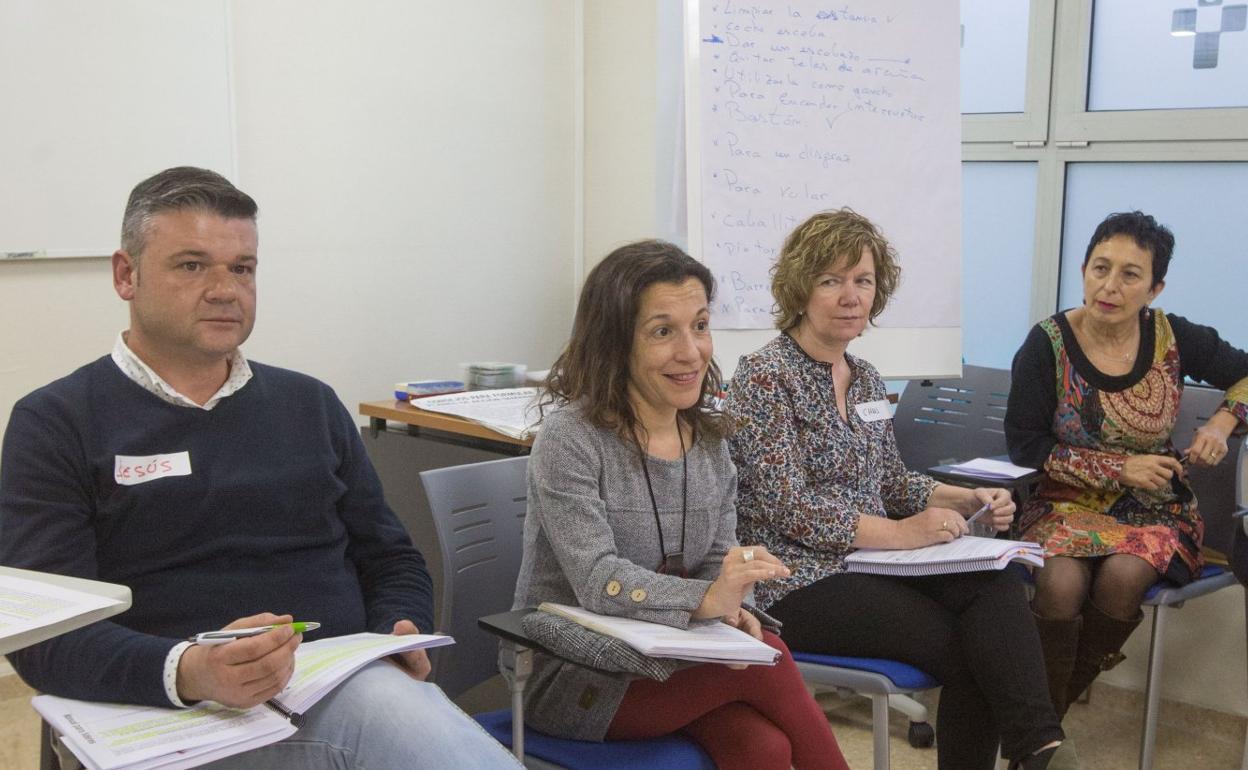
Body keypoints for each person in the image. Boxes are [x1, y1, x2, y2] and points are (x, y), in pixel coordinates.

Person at [0, 167, 518, 769]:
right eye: (192, 265)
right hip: (167, 716)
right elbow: (45, 636)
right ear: (126, 274)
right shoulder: (56, 421)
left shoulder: (311, 404)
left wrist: (396, 628)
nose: (225, 289)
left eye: (241, 268)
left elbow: (391, 557)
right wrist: (190, 671)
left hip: (336, 686)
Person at [725, 208, 1063, 770]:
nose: (850, 295)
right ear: (799, 287)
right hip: (794, 577)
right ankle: (1043, 749)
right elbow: (789, 508)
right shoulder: (763, 378)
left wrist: (961, 497)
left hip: (870, 561)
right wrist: (902, 534)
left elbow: (889, 480)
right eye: (831, 280)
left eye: (863, 280)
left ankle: (1039, 745)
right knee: (971, 651)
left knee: (997, 577)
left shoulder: (867, 377)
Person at [513, 240, 848, 770]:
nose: (691, 351)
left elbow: (718, 560)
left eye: (700, 325)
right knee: (774, 663)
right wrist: (706, 601)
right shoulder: (570, 439)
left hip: (676, 656)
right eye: (663, 331)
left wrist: (735, 608)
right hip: (572, 672)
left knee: (765, 748)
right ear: (615, 344)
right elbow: (598, 579)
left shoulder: (710, 439)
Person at [1005, 211, 1248, 724]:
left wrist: (1223, 423)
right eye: (1100, 268)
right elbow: (1026, 446)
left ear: (1155, 288)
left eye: (1130, 275)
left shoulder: (1173, 337)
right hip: (1062, 502)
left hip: (1154, 507)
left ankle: (1042, 731)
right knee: (1060, 584)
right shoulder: (1046, 343)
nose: (1109, 286)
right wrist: (1119, 468)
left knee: (1121, 576)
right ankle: (1043, 735)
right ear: (1084, 270)